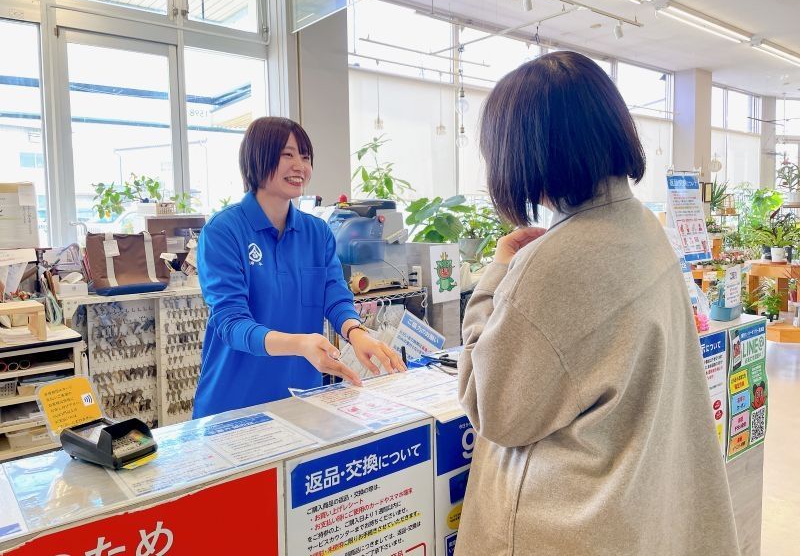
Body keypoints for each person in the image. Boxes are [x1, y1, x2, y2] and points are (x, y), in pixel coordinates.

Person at [456, 52, 740, 555]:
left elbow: (492, 407)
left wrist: (496, 274)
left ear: (526, 154)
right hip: (633, 514)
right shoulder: (644, 230)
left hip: (566, 523)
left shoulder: (552, 264)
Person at [193, 117, 405, 418]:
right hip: (234, 405)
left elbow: (334, 294)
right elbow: (230, 323)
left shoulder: (317, 232)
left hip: (302, 399)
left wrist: (356, 332)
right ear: (258, 157)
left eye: (305, 157)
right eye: (287, 155)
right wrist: (299, 344)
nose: (300, 166)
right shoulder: (223, 230)